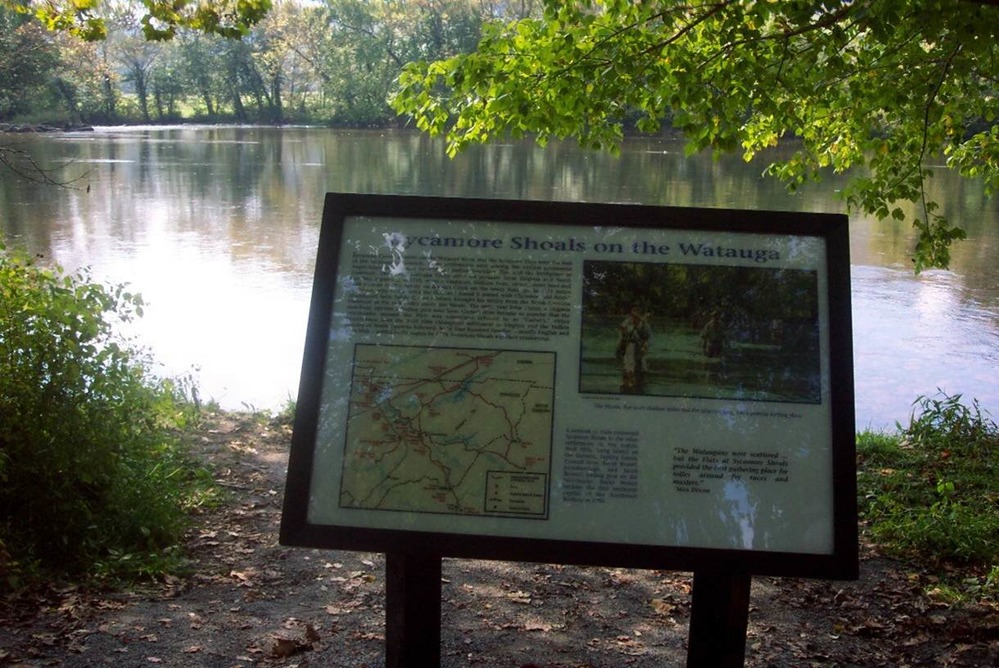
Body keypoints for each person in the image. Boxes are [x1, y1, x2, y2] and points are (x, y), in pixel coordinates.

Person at [617, 305, 652, 393]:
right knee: (628, 367)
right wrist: (621, 344)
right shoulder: (628, 321)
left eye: (635, 315)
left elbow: (647, 338)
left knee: (640, 368)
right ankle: (628, 384)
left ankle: (636, 385)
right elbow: (621, 330)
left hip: (639, 347)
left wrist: (644, 347)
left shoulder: (644, 324)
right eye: (632, 315)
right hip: (629, 346)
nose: (633, 317)